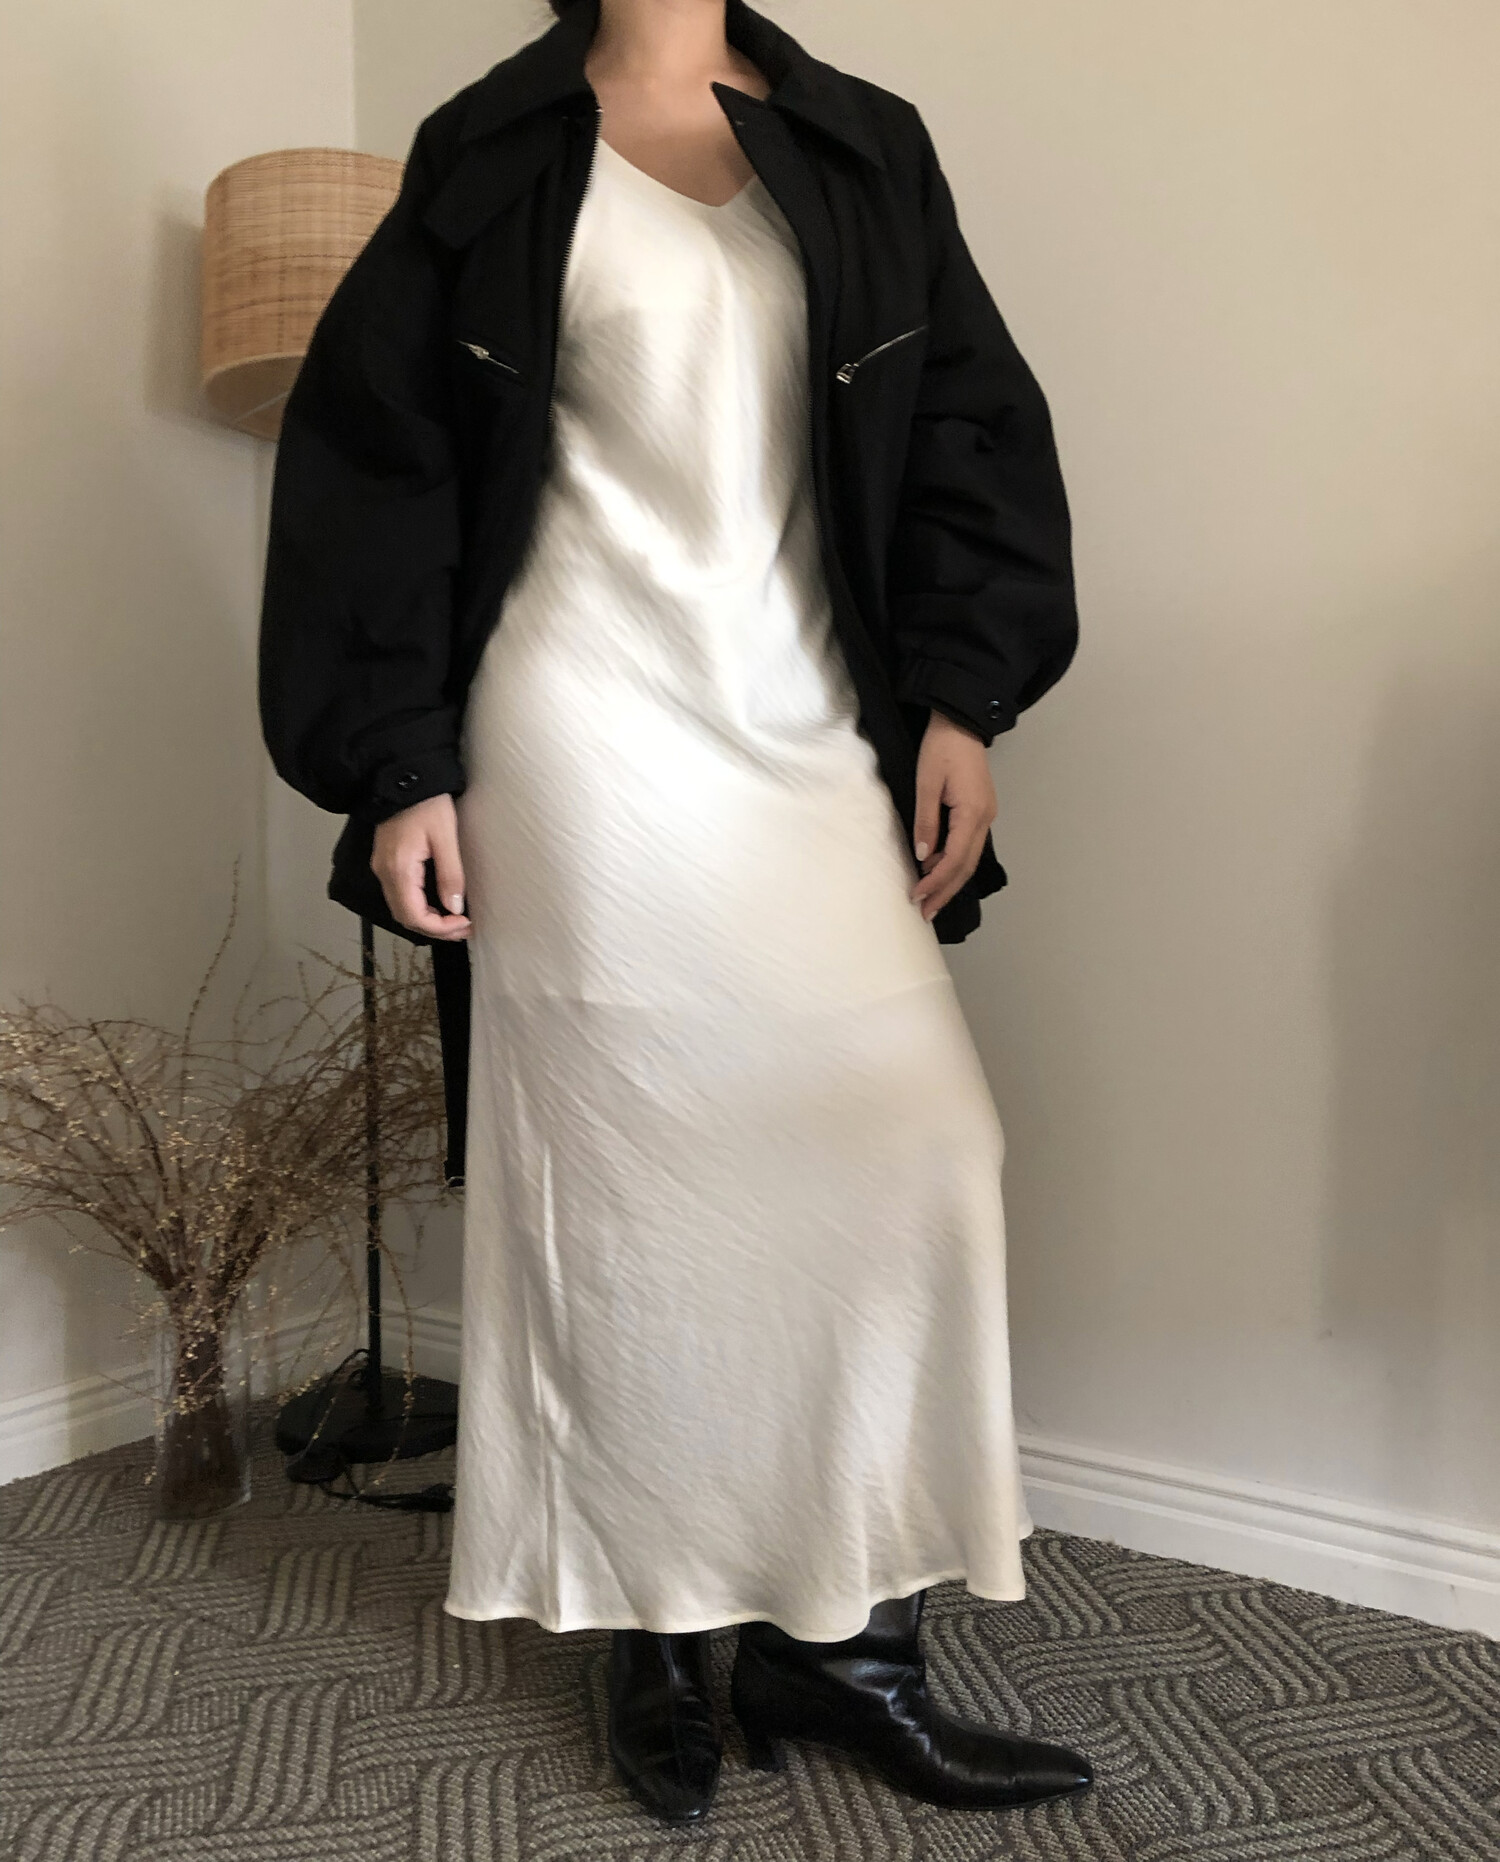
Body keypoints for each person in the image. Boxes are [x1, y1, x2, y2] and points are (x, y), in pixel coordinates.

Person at [258, 0, 1091, 1828]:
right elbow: (375, 467)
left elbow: (969, 422)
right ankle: (651, 1622)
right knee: (622, 1181)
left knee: (920, 1147)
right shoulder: (489, 147)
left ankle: (839, 1649)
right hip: (578, 727)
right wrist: (401, 763)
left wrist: (965, 696)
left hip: (809, 718)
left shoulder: (863, 142)